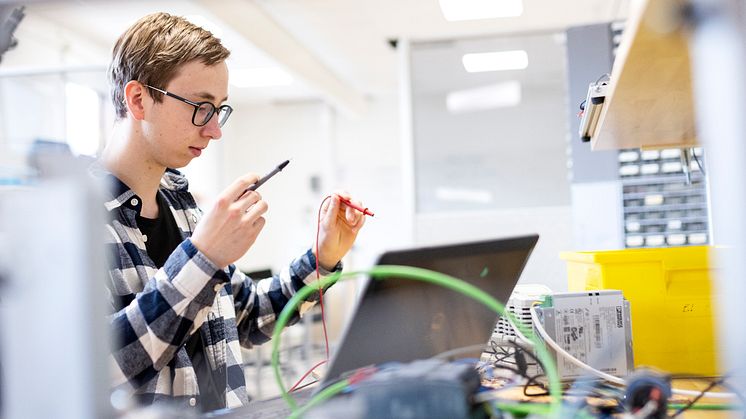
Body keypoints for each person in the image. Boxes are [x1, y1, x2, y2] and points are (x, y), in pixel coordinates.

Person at [94, 12, 365, 411]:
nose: (214, 130)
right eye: (200, 107)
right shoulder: (77, 224)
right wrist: (202, 258)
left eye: (219, 109)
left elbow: (250, 316)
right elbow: (99, 367)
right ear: (138, 99)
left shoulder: (182, 207)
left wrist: (323, 258)